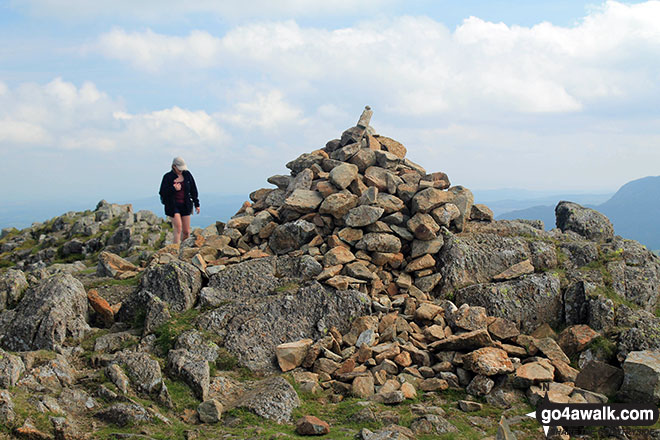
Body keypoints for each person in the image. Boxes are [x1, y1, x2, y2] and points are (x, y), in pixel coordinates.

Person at [159, 157, 200, 244]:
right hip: (173, 205)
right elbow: (162, 192)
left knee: (186, 231)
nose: (181, 171)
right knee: (178, 228)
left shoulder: (187, 175)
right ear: (174, 166)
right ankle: (176, 250)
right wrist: (173, 189)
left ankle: (184, 249)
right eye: (179, 169)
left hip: (185, 205)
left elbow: (193, 189)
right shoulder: (167, 177)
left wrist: (197, 204)